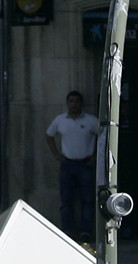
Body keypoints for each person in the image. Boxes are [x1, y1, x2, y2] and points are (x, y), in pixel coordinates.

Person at [46, 90, 100, 241]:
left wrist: (95, 156)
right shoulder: (60, 120)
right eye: (71, 101)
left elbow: (103, 136)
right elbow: (49, 135)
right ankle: (68, 230)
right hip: (67, 164)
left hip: (85, 164)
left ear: (81, 103)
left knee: (87, 200)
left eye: (77, 101)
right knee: (66, 200)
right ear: (67, 103)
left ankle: (86, 231)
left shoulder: (90, 120)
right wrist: (56, 154)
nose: (74, 104)